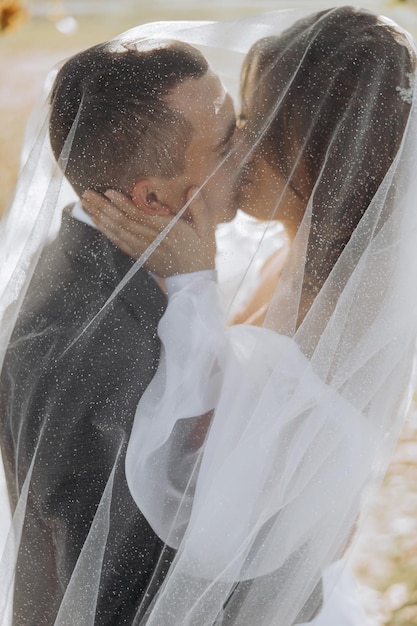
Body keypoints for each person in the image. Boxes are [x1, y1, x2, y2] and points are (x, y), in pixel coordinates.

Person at [81, 7, 417, 625]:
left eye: (263, 127)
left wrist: (192, 282)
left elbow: (215, 514)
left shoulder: (352, 306)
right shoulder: (287, 253)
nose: (240, 148)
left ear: (321, 154)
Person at [0, 34, 237, 624]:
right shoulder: (85, 355)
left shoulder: (147, 257)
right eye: (229, 142)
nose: (253, 151)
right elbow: (105, 589)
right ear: (151, 197)